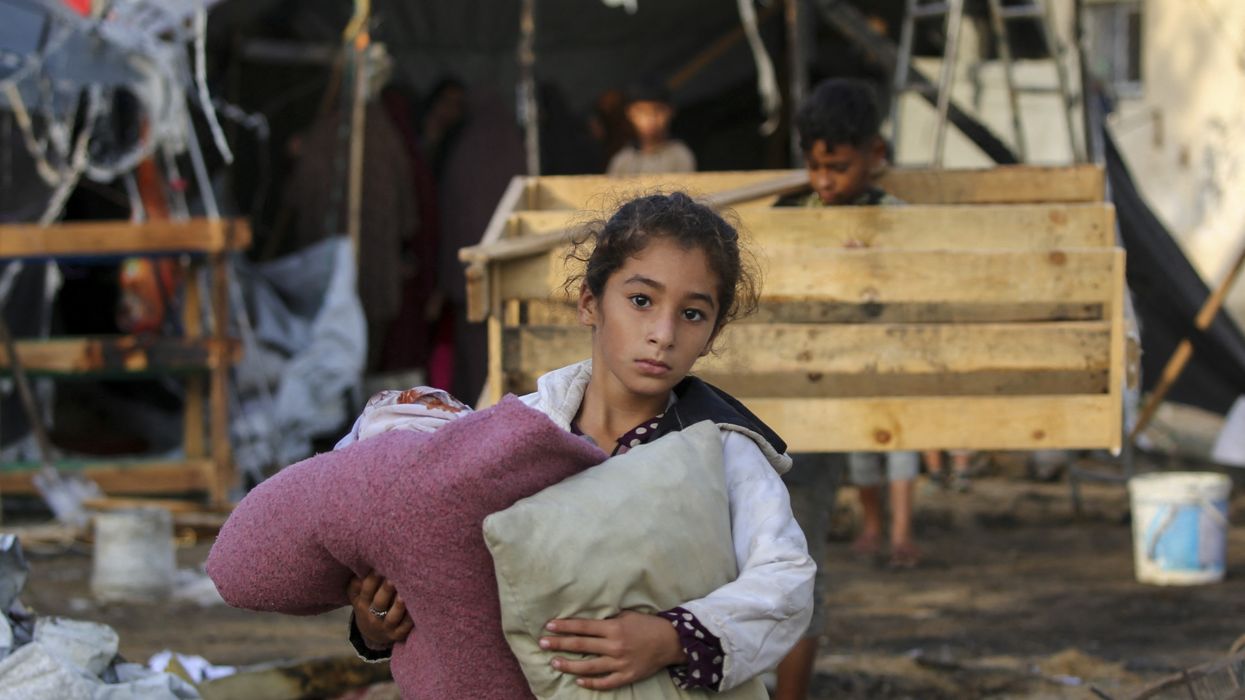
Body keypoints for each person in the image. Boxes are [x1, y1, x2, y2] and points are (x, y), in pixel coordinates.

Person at [346, 192, 815, 692]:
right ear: (590, 304)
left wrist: (671, 637)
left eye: (693, 314)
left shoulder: (726, 450)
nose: (663, 332)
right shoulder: (513, 434)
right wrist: (377, 623)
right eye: (641, 301)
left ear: (713, 332)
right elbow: (455, 576)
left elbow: (785, 580)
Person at [771, 76, 909, 700]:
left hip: (824, 424)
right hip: (764, 410)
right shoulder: (788, 215)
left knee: (800, 566)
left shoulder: (892, 222)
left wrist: (868, 266)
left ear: (876, 155)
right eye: (814, 166)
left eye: (839, 167)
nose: (823, 181)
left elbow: (908, 300)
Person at [606, 81, 696, 175]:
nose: (651, 119)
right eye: (642, 111)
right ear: (630, 113)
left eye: (658, 110)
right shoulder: (622, 160)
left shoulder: (680, 155)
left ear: (671, 111)